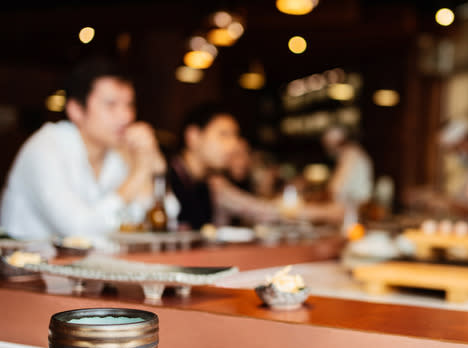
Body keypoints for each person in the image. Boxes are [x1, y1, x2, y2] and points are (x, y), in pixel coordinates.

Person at [0, 57, 173, 240]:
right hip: (24, 265)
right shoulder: (45, 147)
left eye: (129, 104)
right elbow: (77, 231)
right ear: (76, 110)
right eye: (111, 105)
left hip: (87, 266)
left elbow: (167, 216)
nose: (126, 116)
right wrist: (138, 174)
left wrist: (152, 160)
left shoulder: (117, 153)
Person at [168, 103, 277, 229]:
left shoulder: (205, 183)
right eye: (224, 134)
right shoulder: (165, 178)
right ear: (193, 136)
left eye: (235, 136)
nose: (233, 145)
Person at [405, 120, 468, 230]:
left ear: (464, 142)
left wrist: (445, 203)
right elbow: (463, 199)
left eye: (454, 149)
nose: (454, 155)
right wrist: (433, 196)